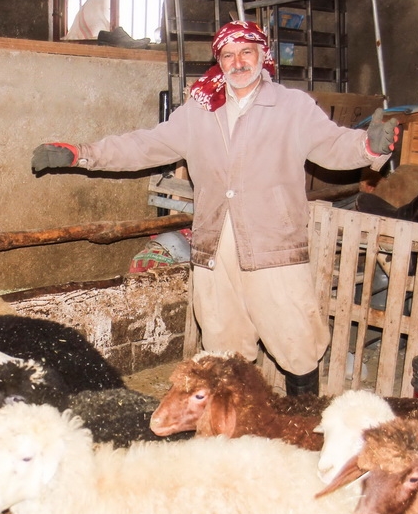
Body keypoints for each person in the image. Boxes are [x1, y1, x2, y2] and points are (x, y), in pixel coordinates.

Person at [31, 20, 398, 396]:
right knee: (224, 341)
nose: (238, 62)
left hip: (273, 242)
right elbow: (144, 146)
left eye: (246, 52)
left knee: (295, 336)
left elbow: (331, 146)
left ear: (262, 55)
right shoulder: (200, 110)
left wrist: (368, 147)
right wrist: (82, 154)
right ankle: (234, 428)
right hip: (215, 242)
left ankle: (301, 421)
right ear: (219, 60)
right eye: (228, 54)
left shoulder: (291, 107)